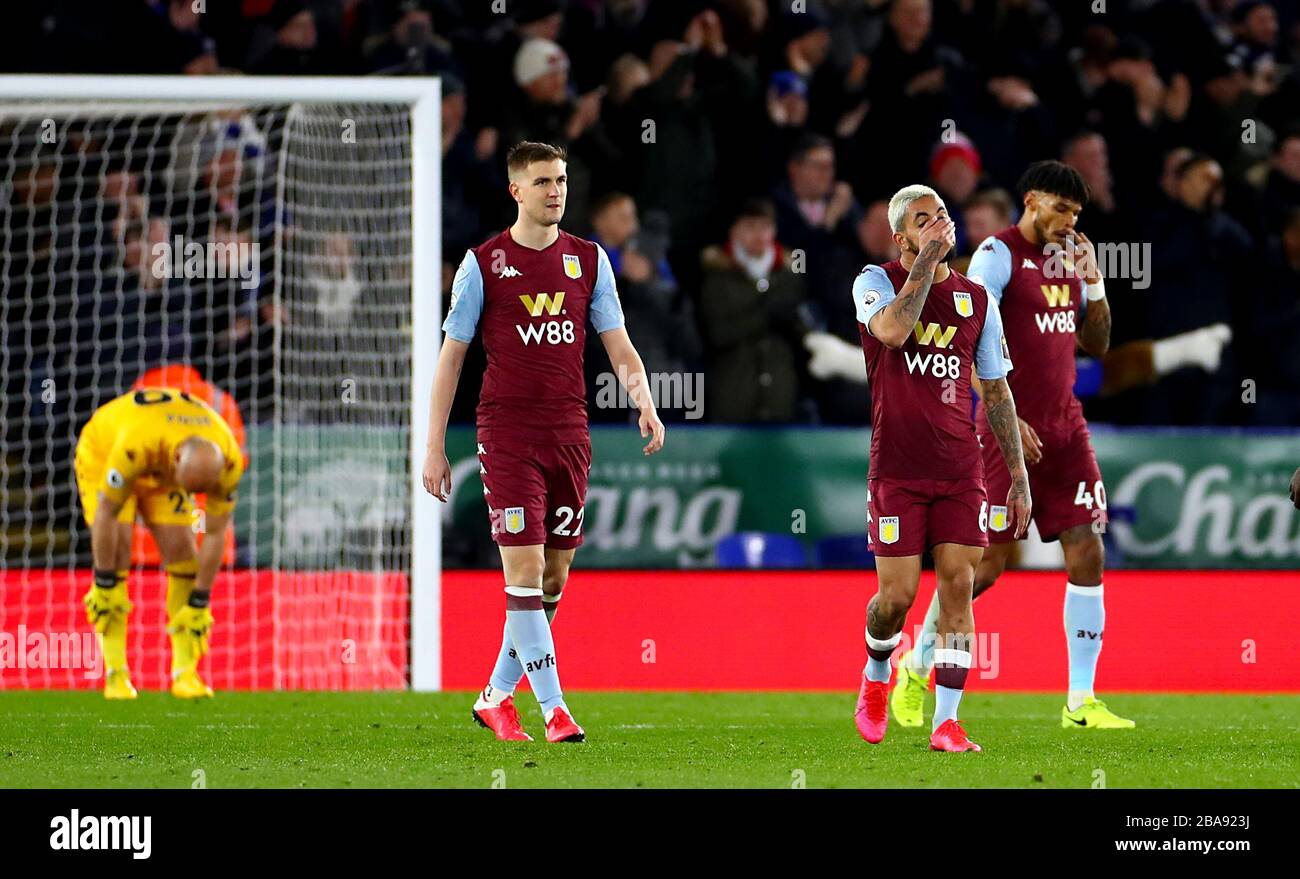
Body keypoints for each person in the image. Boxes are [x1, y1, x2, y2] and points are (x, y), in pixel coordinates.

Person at [421, 141, 665, 743]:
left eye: (560, 180)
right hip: (506, 436)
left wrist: (645, 401)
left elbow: (616, 342)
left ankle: (496, 696)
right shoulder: (484, 265)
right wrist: (431, 446)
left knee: (553, 579)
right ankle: (555, 708)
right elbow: (451, 360)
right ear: (516, 191)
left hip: (569, 434)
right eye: (542, 182)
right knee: (525, 573)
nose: (555, 191)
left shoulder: (589, 261)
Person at [893, 161, 1135, 731]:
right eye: (1060, 207)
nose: (1068, 221)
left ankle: (1081, 701)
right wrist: (1009, 418)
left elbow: (1097, 345)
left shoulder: (1067, 261)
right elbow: (968, 336)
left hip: (1066, 426)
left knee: (1088, 548)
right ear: (1031, 200)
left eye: (1076, 213)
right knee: (985, 566)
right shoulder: (996, 258)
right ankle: (912, 666)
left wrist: (1094, 280)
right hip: (1006, 427)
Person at [852, 183, 1030, 753]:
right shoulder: (874, 282)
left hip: (960, 469)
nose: (940, 227)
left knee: (959, 585)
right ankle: (878, 669)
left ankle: (946, 722)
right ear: (900, 236)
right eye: (924, 221)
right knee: (896, 600)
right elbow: (895, 333)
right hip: (897, 469)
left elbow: (997, 394)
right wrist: (926, 263)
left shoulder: (978, 300)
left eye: (943, 216)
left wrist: (1019, 477)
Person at [75, 388, 245, 700]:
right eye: (189, 489)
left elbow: (215, 532)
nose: (191, 497)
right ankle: (116, 675)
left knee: (184, 557)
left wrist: (200, 599)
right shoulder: (134, 444)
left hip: (163, 468)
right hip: (105, 451)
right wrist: (104, 579)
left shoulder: (230, 462)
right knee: (118, 554)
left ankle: (185, 674)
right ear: (178, 461)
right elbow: (107, 513)